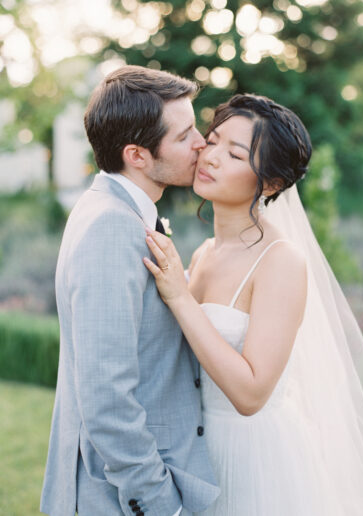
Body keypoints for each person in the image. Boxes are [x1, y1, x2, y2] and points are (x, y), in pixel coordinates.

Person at [144, 93, 363, 515]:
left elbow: (251, 393)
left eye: (235, 153)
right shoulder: (203, 253)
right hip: (194, 453)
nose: (211, 156)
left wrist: (177, 295)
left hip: (253, 462)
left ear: (271, 183)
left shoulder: (280, 261)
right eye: (213, 139)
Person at [40, 65, 220, 516]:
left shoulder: (115, 209)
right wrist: (161, 505)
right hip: (117, 499)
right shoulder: (111, 226)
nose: (201, 142)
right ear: (137, 155)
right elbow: (106, 398)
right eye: (184, 136)